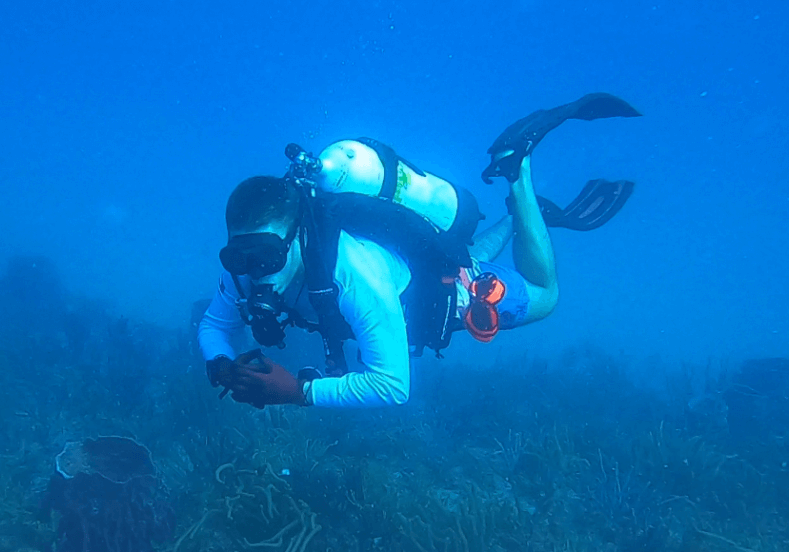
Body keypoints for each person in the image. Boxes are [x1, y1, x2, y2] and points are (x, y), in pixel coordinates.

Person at [198, 93, 640, 409]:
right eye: (242, 259)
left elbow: (392, 385)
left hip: (443, 298)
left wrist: (298, 390)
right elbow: (215, 324)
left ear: (298, 237)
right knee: (463, 256)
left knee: (546, 297)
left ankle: (517, 168)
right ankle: (520, 218)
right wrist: (219, 362)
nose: (259, 276)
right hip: (422, 261)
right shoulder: (243, 270)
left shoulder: (353, 275)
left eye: (268, 259)